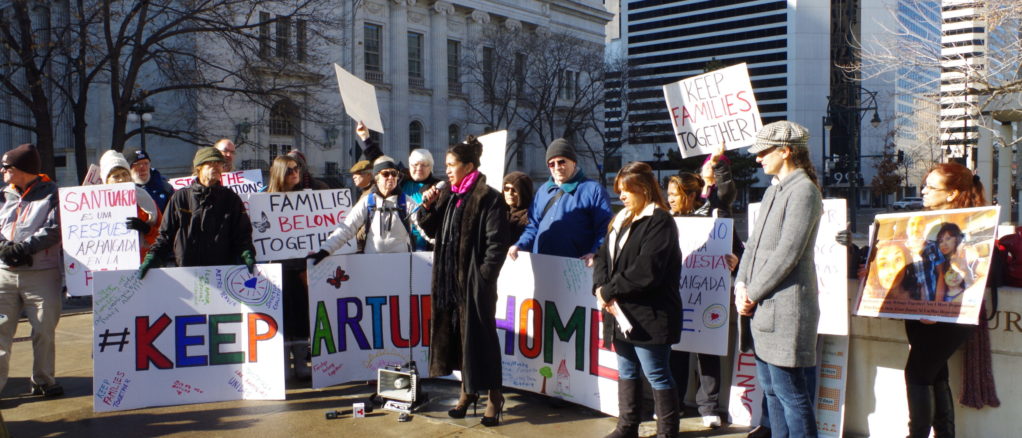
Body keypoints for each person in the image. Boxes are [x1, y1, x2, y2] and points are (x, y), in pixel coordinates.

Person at [735, 121, 822, 438]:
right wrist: (741, 286)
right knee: (772, 390)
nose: (758, 159)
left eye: (763, 152)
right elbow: (753, 245)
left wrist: (751, 292)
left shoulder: (804, 191)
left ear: (785, 151)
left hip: (786, 311)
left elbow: (788, 252)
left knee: (791, 394)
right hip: (763, 309)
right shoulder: (775, 190)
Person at [417, 137, 510, 427]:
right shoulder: (450, 196)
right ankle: (467, 391)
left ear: (469, 166)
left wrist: (482, 278)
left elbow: (497, 245)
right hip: (447, 282)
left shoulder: (489, 197)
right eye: (445, 165)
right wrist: (428, 206)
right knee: (458, 340)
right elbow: (428, 227)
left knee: (482, 339)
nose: (447, 171)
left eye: (451, 165)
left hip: (474, 284)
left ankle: (495, 396)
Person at [595, 161, 683, 438]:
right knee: (627, 371)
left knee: (656, 373)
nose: (620, 196)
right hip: (620, 313)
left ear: (644, 189)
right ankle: (627, 426)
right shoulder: (619, 220)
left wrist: (608, 291)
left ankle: (667, 432)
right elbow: (602, 258)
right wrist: (599, 286)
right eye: (619, 190)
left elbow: (647, 270)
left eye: (626, 190)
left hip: (650, 314)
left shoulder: (660, 221)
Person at [902, 162, 989, 438]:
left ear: (952, 194)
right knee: (936, 375)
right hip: (919, 312)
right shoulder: (923, 226)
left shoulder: (971, 227)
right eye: (923, 185)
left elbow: (968, 276)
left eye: (931, 187)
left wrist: (936, 304)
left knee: (917, 374)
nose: (924, 191)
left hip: (951, 314)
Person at [665, 173, 739, 428]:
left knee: (707, 352)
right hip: (677, 295)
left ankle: (708, 406)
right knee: (675, 351)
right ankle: (673, 404)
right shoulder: (667, 220)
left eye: (674, 195)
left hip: (708, 296)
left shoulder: (714, 218)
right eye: (669, 194)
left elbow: (738, 249)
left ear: (691, 196)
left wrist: (734, 261)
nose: (669, 199)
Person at [0, 143, 64, 396]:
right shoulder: (3, 194)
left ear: (23, 169)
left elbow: (54, 229)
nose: (3, 171)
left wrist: (23, 249)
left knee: (43, 330)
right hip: (4, 275)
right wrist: (5, 248)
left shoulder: (53, 194)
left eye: (7, 167)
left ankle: (43, 380)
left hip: (42, 275)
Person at [138, 147, 255, 276]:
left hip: (221, 273)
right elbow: (165, 236)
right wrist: (153, 258)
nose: (216, 167)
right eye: (211, 163)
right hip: (187, 273)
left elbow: (242, 234)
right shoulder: (180, 197)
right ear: (199, 167)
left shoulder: (231, 198)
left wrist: (247, 254)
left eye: (219, 163)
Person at [508, 138, 612, 265]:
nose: (557, 167)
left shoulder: (593, 190)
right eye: (551, 164)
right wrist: (520, 245)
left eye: (561, 162)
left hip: (576, 267)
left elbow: (605, 228)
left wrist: (595, 252)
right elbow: (533, 227)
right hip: (542, 264)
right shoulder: (542, 191)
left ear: (573, 162)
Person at [309, 156, 418, 259]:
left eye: (394, 173)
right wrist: (325, 250)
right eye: (386, 174)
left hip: (402, 263)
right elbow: (347, 227)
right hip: (372, 263)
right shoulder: (367, 201)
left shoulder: (407, 202)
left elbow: (424, 226)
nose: (391, 177)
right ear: (377, 178)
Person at [266, 155, 312, 380]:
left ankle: (302, 362)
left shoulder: (307, 199)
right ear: (279, 173)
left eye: (297, 169)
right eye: (290, 170)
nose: (295, 173)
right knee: (281, 317)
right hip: (277, 270)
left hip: (302, 269)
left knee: (301, 315)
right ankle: (283, 363)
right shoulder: (265, 200)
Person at [99, 150, 161, 258]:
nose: (122, 179)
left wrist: (147, 229)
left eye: (124, 174)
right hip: (110, 262)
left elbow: (163, 235)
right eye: (116, 176)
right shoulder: (96, 205)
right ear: (106, 180)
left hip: (143, 262)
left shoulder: (145, 199)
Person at [401, 148, 442, 251]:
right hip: (401, 239)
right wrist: (366, 139)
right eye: (415, 165)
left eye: (424, 165)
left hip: (426, 241)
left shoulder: (437, 187)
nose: (419, 168)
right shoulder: (400, 182)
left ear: (430, 167)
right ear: (409, 166)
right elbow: (382, 164)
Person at [698, 143, 737, 217]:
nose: (709, 165)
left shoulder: (721, 192)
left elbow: (724, 182)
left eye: (713, 165)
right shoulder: (696, 189)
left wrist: (716, 162)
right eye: (707, 162)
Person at [503, 171, 534, 243]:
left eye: (514, 190)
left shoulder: (531, 216)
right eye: (506, 189)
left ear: (524, 192)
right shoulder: (498, 211)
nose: (509, 193)